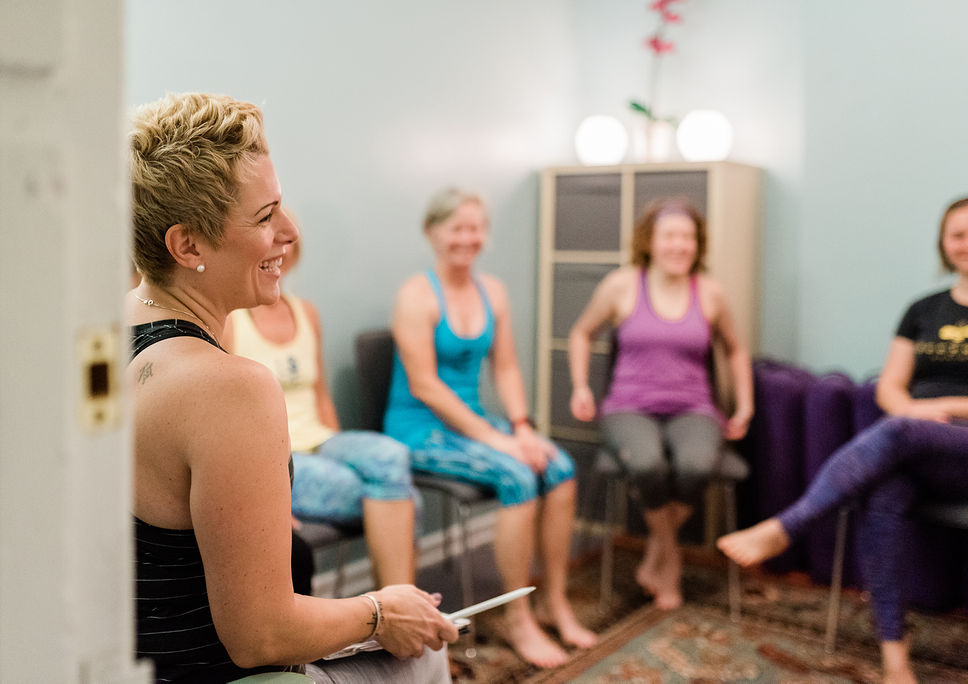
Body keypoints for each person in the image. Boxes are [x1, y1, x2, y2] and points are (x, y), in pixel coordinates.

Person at [127, 92, 456, 683]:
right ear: (188, 245)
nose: (290, 231)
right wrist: (381, 612)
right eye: (265, 216)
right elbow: (261, 635)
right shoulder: (228, 388)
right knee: (426, 654)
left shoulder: (110, 329)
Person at [717, 197, 968, 684]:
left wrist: (944, 410)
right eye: (957, 234)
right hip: (922, 442)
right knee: (885, 491)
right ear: (943, 243)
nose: (967, 244)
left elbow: (906, 411)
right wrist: (917, 415)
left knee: (896, 433)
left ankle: (787, 526)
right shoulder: (922, 310)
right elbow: (891, 387)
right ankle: (895, 656)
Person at [384, 187, 597, 669]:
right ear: (433, 232)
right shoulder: (416, 295)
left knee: (559, 466)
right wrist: (500, 443)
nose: (468, 237)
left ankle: (553, 601)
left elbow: (505, 369)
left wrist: (521, 427)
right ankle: (516, 617)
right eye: (457, 227)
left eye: (476, 227)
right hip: (420, 429)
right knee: (518, 475)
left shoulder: (493, 291)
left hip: (475, 425)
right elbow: (426, 387)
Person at [567, 197, 754, 611]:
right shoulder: (621, 286)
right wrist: (580, 386)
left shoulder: (710, 293)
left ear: (698, 245)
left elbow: (736, 350)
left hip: (694, 408)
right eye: (669, 236)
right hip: (628, 407)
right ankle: (670, 562)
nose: (679, 246)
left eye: (688, 237)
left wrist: (744, 405)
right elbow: (582, 333)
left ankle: (656, 550)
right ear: (650, 242)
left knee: (697, 465)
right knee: (648, 464)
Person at [224, 233, 418, 587]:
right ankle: (397, 615)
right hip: (280, 460)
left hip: (322, 440)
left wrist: (340, 449)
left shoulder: (306, 312)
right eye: (266, 242)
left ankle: (396, 612)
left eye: (285, 244)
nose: (277, 252)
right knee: (407, 499)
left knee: (392, 455)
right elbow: (227, 424)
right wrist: (267, 502)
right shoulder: (231, 320)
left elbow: (321, 393)